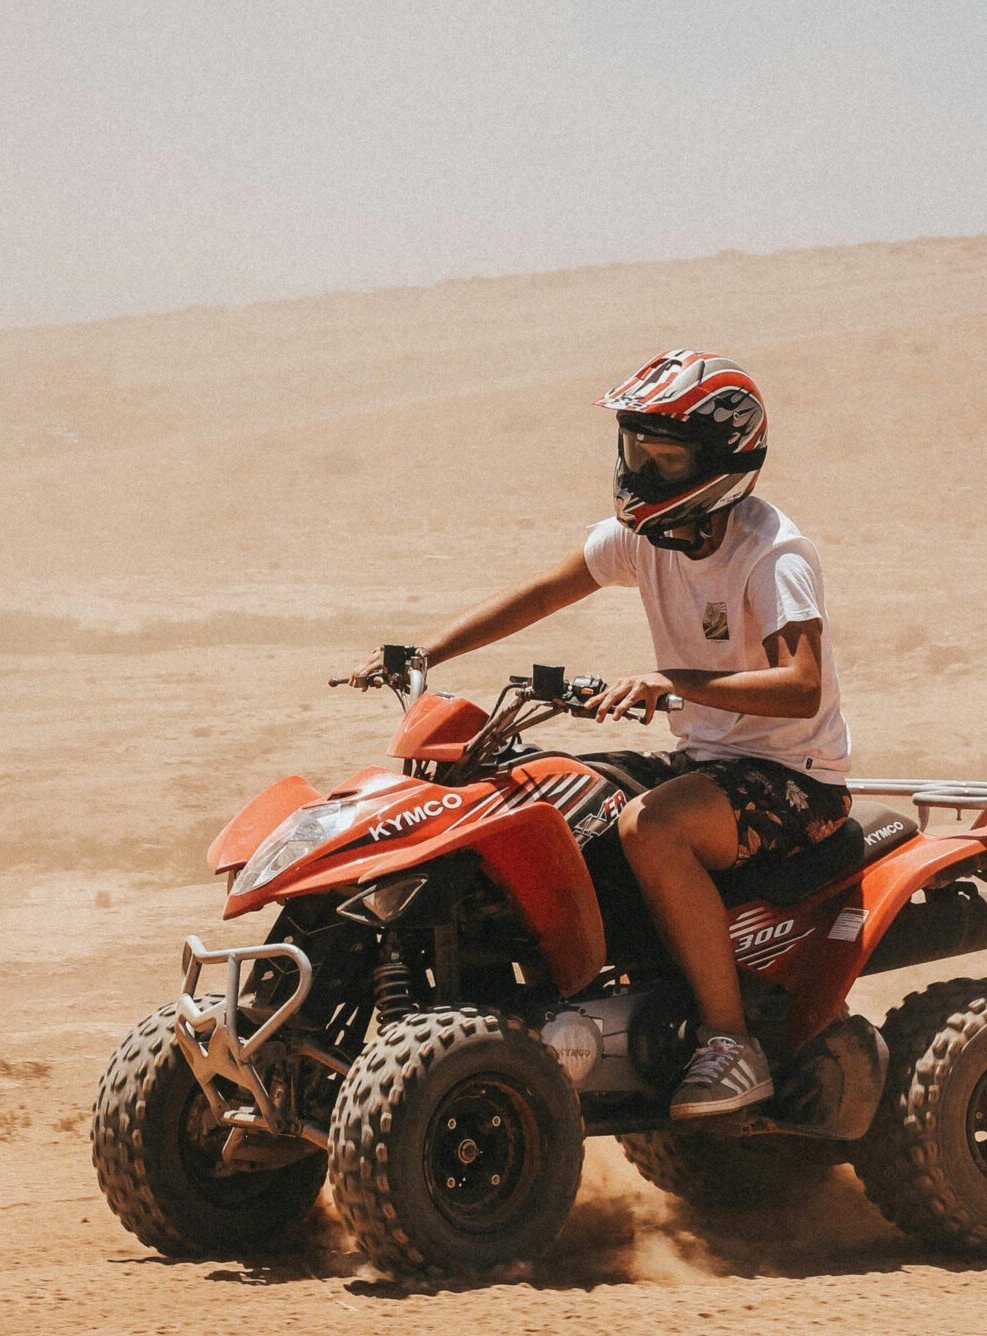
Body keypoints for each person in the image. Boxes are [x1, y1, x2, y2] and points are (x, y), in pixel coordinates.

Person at [354, 351, 851, 1119]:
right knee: (540, 794)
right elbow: (542, 593)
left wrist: (669, 683)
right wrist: (426, 653)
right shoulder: (642, 538)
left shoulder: (770, 553)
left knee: (652, 827)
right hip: (705, 761)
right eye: (635, 451)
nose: (643, 471)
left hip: (795, 778)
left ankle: (731, 1044)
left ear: (721, 460)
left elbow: (802, 685)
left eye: (666, 458)